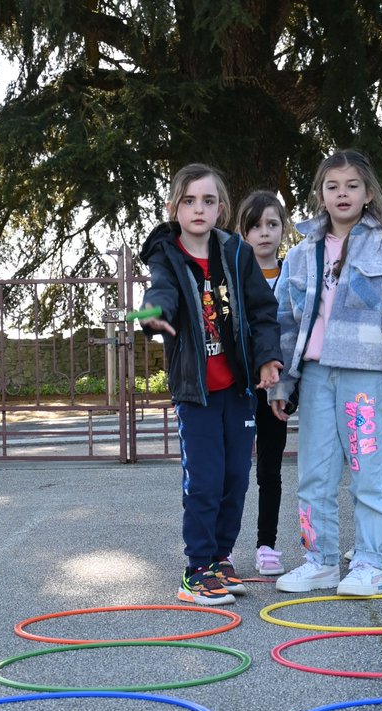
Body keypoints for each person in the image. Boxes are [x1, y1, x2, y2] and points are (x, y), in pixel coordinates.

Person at [268, 149, 382, 597]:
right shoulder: (301, 253)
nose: (342, 193)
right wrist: (283, 382)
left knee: (369, 472)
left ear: (369, 192)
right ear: (320, 194)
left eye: (352, 186)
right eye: (333, 186)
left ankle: (369, 563)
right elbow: (287, 324)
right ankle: (320, 560)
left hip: (366, 381)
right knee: (313, 474)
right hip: (314, 378)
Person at [139, 163, 283, 605]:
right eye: (189, 200)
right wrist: (152, 315)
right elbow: (161, 292)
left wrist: (267, 359)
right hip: (196, 392)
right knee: (204, 480)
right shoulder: (167, 254)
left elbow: (262, 311)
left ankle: (220, 558)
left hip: (237, 390)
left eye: (208, 200)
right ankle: (195, 568)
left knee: (235, 478)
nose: (198, 208)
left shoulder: (236, 253)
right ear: (174, 208)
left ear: (221, 207)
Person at [237, 190, 294, 577]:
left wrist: (285, 386)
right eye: (255, 226)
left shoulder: (295, 276)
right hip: (239, 389)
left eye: (272, 224)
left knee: (270, 471)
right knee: (233, 470)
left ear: (283, 230)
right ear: (243, 232)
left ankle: (267, 545)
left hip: (277, 391)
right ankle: (222, 550)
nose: (264, 233)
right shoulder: (232, 275)